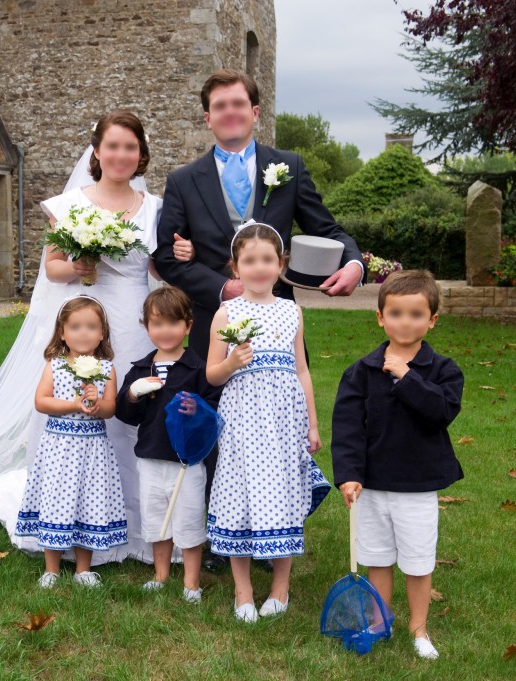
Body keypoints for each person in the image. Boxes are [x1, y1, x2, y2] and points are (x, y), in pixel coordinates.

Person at [153, 69, 363, 571]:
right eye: (219, 106)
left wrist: (353, 261)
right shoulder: (183, 179)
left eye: (237, 104)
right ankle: (217, 540)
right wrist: (223, 287)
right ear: (208, 117)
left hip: (276, 322)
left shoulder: (287, 166)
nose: (229, 112)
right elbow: (167, 254)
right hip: (214, 323)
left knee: (278, 431)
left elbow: (325, 226)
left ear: (254, 112)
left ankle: (273, 532)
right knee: (212, 430)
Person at [0, 111, 193, 566]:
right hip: (85, 323)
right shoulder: (71, 202)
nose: (121, 155)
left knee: (133, 413)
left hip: (135, 321)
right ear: (97, 151)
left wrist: (180, 253)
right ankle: (73, 522)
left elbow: (156, 268)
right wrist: (77, 267)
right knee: (81, 415)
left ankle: (140, 528)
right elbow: (52, 266)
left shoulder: (153, 207)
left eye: (130, 148)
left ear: (141, 155)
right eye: (113, 146)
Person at [331, 269, 464, 660]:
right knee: (377, 558)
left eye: (416, 314)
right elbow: (348, 428)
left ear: (432, 320)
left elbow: (440, 412)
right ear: (380, 317)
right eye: (396, 313)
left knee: (418, 560)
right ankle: (379, 621)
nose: (405, 322)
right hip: (372, 484)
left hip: (418, 485)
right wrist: (349, 476)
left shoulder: (444, 371)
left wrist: (407, 377)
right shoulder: (361, 371)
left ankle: (419, 629)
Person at [204, 222, 331, 622]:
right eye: (249, 260)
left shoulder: (291, 311)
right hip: (243, 419)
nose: (259, 268)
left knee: (283, 493)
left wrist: (312, 423)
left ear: (281, 265)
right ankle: (243, 590)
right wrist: (230, 362)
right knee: (240, 493)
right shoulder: (227, 313)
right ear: (235, 268)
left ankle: (281, 586)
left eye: (267, 260)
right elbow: (211, 374)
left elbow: (303, 370)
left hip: (284, 421)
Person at [115, 287, 221, 604]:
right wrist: (133, 394)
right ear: (146, 327)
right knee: (155, 519)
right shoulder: (139, 369)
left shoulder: (197, 367)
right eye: (157, 324)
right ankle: (160, 574)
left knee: (188, 518)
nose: (165, 331)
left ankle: (191, 582)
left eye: (173, 323)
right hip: (149, 456)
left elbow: (214, 412)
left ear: (188, 326)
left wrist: (196, 409)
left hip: (186, 461)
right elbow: (126, 415)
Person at [15, 295, 127, 587]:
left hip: (92, 449)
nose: (83, 333)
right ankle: (51, 568)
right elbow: (42, 401)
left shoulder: (106, 369)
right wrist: (74, 405)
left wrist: (96, 403)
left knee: (87, 501)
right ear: (62, 332)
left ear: (102, 333)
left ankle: (83, 568)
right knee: (56, 501)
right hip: (60, 447)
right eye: (75, 327)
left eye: (91, 327)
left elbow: (110, 409)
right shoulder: (54, 365)